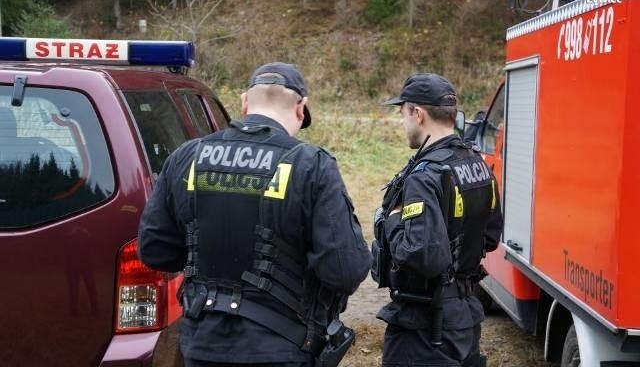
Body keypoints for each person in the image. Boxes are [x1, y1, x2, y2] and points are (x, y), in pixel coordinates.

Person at [138, 62, 372, 367]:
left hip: (202, 345)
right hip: (280, 348)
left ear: (244, 102)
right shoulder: (311, 165)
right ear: (301, 108)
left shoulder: (186, 157)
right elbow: (345, 270)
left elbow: (156, 251)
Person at [371, 73, 503, 367]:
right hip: (465, 317)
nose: (403, 122)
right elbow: (491, 237)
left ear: (417, 114)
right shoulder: (477, 163)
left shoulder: (424, 175)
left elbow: (423, 255)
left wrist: (392, 221)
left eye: (402, 113)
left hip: (426, 326)